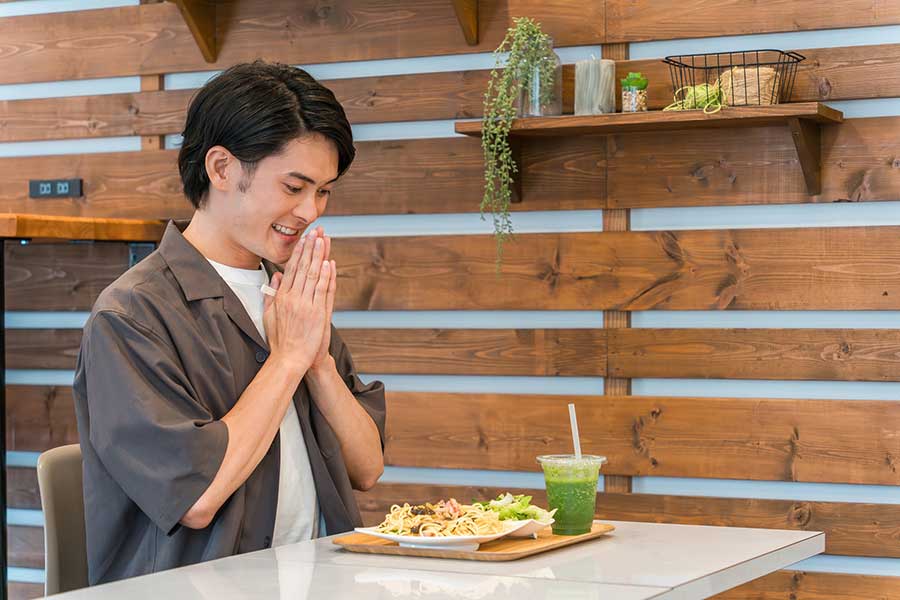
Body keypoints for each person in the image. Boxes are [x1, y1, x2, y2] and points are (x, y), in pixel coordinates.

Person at [73, 60, 386, 585]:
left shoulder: (294, 297)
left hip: (318, 582)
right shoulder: (130, 317)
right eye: (293, 187)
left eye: (324, 191)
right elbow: (195, 498)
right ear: (221, 169)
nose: (311, 211)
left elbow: (367, 468)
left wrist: (318, 365)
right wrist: (286, 360)